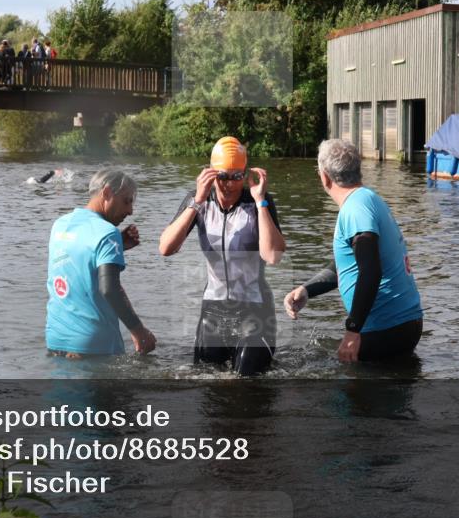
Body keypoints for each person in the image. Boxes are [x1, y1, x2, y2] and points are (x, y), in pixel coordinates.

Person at [284, 139, 423, 363]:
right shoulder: (368, 199)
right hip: (403, 325)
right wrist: (307, 289)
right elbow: (351, 264)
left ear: (324, 177)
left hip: (385, 328)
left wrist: (352, 330)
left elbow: (370, 271)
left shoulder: (355, 210)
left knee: (346, 396)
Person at [159, 137, 286, 375]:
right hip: (214, 309)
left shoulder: (258, 201)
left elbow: (273, 256)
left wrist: (261, 203)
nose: (229, 184)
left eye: (237, 176)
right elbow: (166, 248)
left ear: (245, 174)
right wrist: (196, 202)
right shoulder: (198, 201)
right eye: (223, 176)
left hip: (255, 310)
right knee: (206, 385)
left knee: (247, 385)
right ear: (210, 173)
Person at [45, 169, 157, 357]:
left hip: (56, 339)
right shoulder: (106, 233)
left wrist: (117, 248)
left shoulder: (60, 224)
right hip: (94, 345)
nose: (130, 211)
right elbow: (110, 289)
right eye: (127, 201)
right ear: (106, 193)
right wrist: (139, 332)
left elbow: (76, 262)